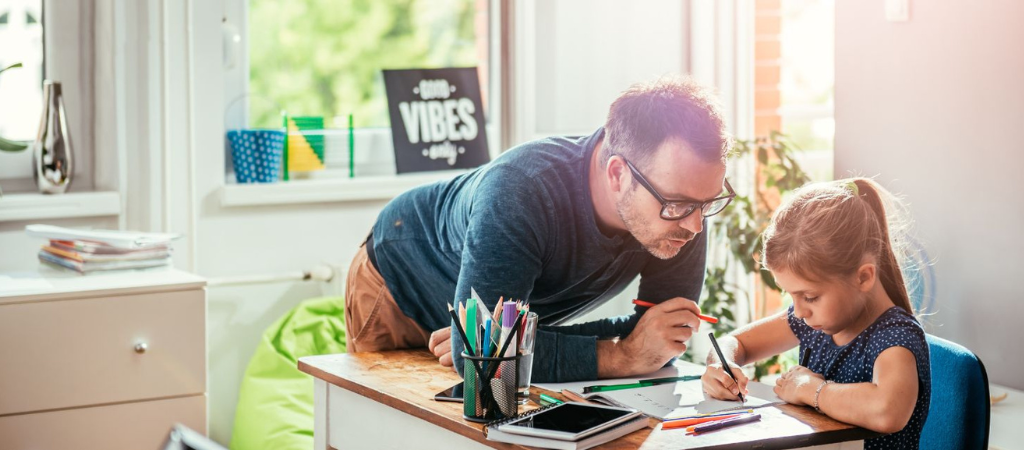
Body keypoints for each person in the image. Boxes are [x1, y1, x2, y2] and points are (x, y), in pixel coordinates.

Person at [345, 76, 735, 382]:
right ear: (618, 174)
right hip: (401, 281)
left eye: (707, 203)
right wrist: (621, 355)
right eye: (678, 205)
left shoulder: (681, 209)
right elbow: (485, 362)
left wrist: (495, 343)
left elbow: (659, 336)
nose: (695, 226)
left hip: (504, 312)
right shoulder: (521, 191)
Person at [701, 178, 930, 449]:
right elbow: (734, 343)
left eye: (809, 297)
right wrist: (721, 365)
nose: (798, 311)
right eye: (791, 295)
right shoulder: (814, 320)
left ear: (864, 277)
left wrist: (809, 389)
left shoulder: (895, 336)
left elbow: (887, 410)